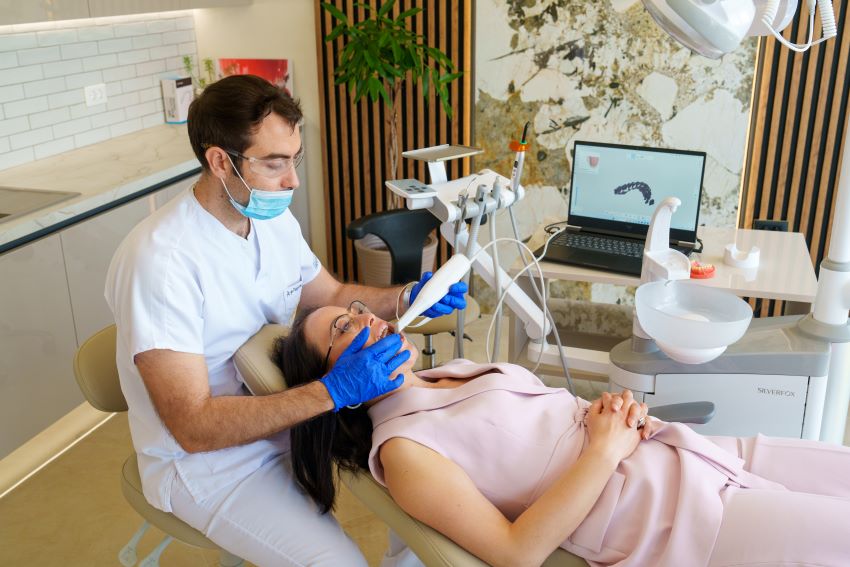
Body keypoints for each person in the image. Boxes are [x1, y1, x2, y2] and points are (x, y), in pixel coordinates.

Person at [104, 74, 466, 566]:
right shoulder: (162, 262)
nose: (292, 180)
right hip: (212, 462)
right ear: (220, 161)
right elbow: (193, 427)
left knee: (444, 492)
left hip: (292, 410)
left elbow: (331, 295)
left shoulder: (271, 220)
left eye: (295, 159)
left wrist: (404, 298)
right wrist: (333, 391)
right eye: (274, 163)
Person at [275, 303, 850, 567]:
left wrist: (610, 413)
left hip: (693, 453)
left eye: (357, 309)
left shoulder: (442, 372)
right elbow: (515, 553)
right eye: (344, 327)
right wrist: (603, 448)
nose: (369, 318)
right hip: (670, 517)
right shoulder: (404, 451)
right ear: (332, 381)